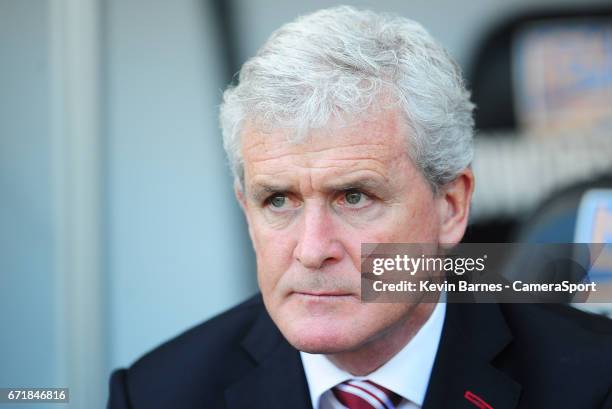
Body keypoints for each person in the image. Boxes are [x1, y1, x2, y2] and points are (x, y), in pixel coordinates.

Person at [107, 6, 612, 409]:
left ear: (451, 207)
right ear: (246, 208)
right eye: (277, 200)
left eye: (353, 197)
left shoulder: (593, 381)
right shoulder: (158, 393)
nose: (311, 250)